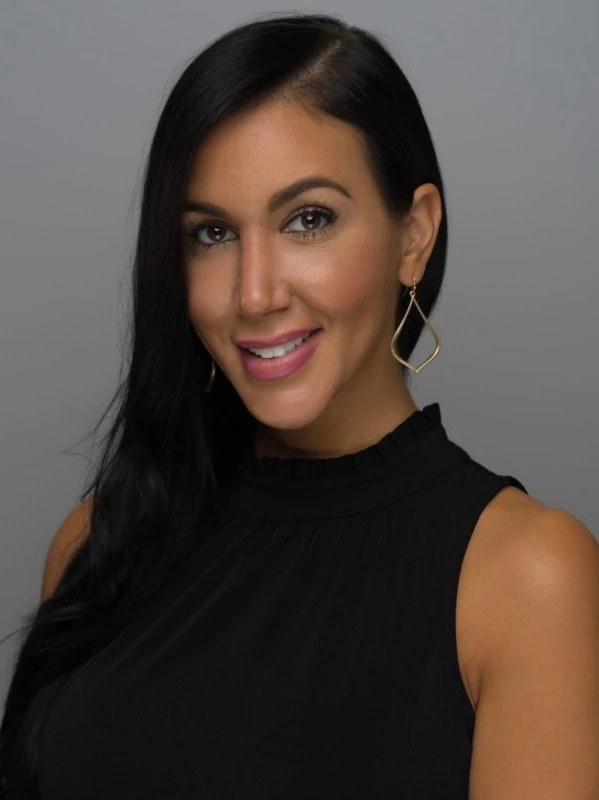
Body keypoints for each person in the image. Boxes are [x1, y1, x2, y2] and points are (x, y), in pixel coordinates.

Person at [2, 12, 599, 800]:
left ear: (413, 235)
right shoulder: (101, 541)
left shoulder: (527, 575)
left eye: (307, 220)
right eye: (212, 233)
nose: (254, 294)